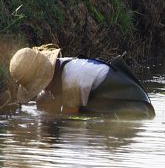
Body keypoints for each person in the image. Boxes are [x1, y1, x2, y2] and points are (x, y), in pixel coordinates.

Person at [9, 44, 155, 119]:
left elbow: (69, 118)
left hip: (136, 108)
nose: (40, 90)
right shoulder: (60, 66)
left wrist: (49, 117)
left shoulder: (72, 81)